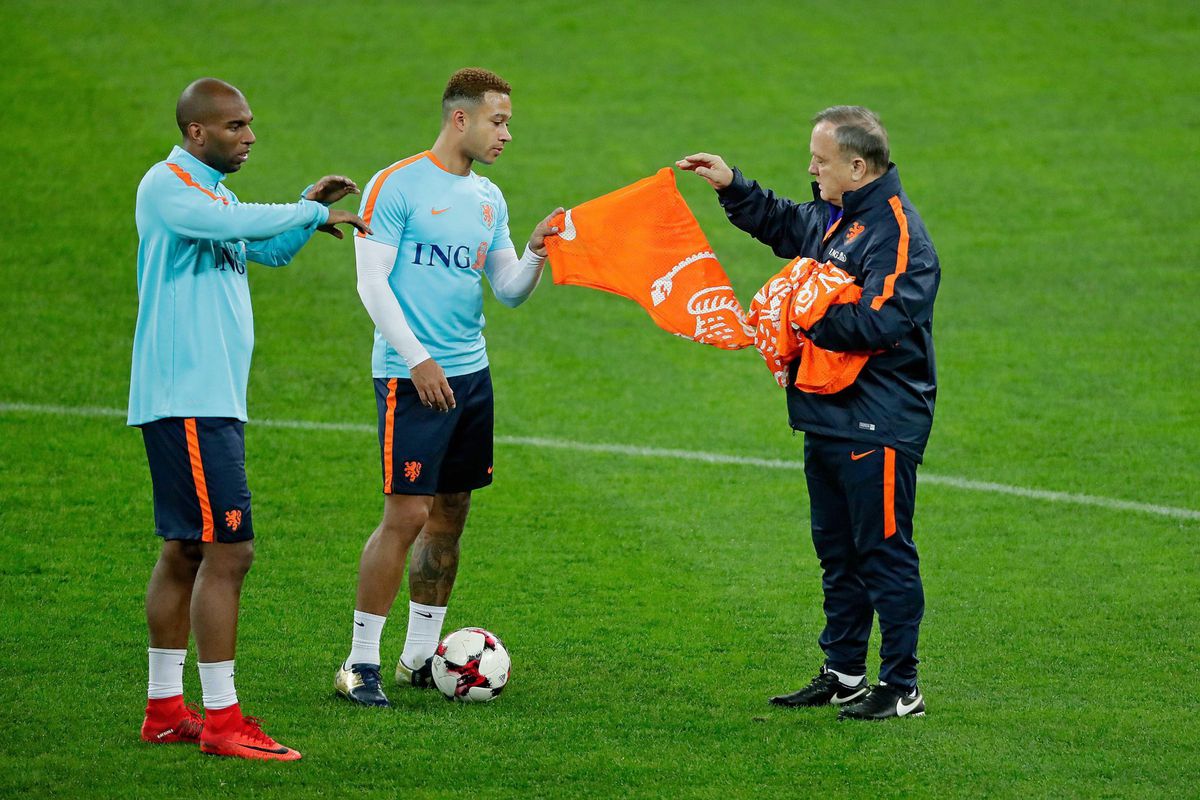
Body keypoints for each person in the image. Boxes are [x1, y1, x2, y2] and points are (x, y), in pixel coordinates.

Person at [130, 77, 369, 759]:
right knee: (230, 552)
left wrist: (305, 217)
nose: (250, 136)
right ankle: (225, 721)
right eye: (236, 126)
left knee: (185, 551)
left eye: (250, 123)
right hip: (190, 399)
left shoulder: (213, 193)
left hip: (200, 399)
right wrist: (299, 211)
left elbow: (263, 247)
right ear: (197, 132)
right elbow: (240, 226)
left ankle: (165, 710)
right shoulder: (170, 189)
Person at [678, 105, 940, 721]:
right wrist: (732, 185)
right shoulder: (840, 216)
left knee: (882, 552)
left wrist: (803, 312)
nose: (811, 168)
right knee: (838, 552)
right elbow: (789, 223)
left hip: (879, 420)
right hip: (827, 414)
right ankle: (845, 673)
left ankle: (902, 687)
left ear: (856, 165)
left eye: (820, 160)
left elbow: (884, 320)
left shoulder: (898, 233)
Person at [334, 67, 559, 707]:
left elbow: (508, 289)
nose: (507, 134)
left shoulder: (488, 197)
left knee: (451, 514)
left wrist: (537, 251)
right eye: (498, 120)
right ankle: (359, 666)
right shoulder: (396, 185)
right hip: (412, 378)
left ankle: (417, 658)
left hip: (470, 376)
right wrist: (417, 359)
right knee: (405, 514)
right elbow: (371, 283)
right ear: (460, 118)